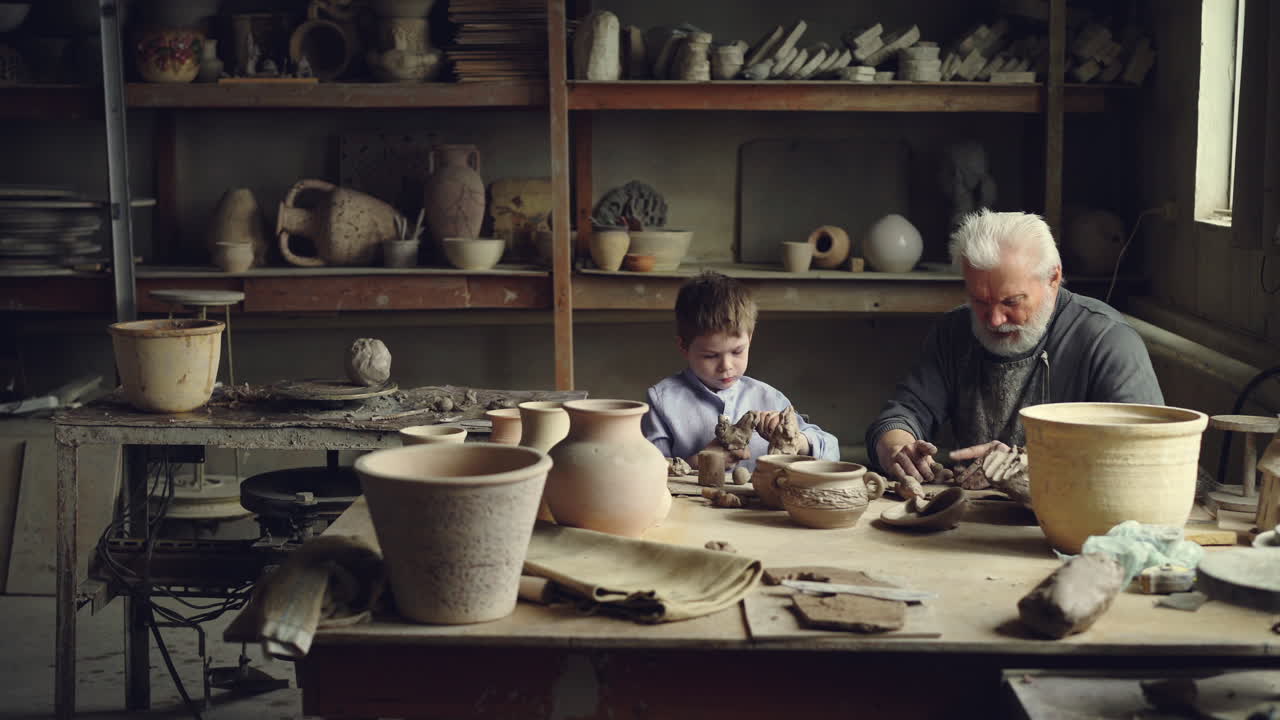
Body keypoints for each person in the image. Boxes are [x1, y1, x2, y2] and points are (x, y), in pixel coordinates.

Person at [865, 209, 1163, 485]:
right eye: (980, 301)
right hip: (976, 517)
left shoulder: (1106, 340)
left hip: (1075, 516)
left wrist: (1032, 464)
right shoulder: (953, 332)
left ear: (1053, 279)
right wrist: (897, 448)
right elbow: (905, 412)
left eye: (1011, 302)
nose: (994, 320)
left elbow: (1146, 455)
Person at [643, 271, 840, 472]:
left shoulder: (769, 398)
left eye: (737, 351)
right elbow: (648, 473)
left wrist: (797, 441)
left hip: (760, 502)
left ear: (750, 338)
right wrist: (701, 463)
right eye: (710, 356)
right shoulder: (662, 402)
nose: (726, 366)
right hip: (689, 503)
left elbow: (832, 450)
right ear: (684, 347)